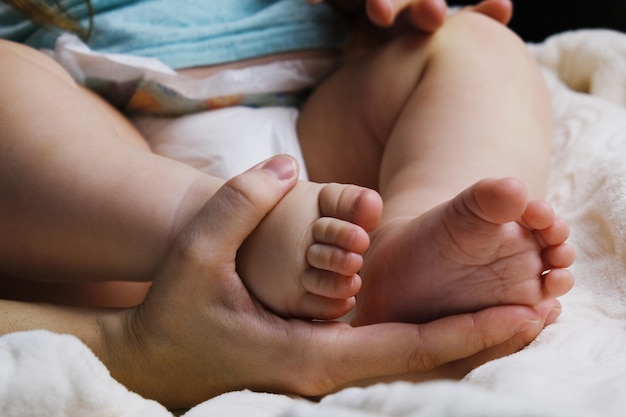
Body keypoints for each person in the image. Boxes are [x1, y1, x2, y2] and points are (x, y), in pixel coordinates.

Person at [0, 0, 574, 405]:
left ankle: (412, 246)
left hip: (310, 120)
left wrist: (379, 14)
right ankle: (241, 232)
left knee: (474, 42)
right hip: (109, 178)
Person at [0, 153, 563, 408]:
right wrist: (134, 350)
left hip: (299, 90)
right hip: (114, 135)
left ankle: (407, 246)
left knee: (471, 47)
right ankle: (233, 224)